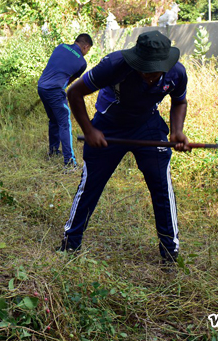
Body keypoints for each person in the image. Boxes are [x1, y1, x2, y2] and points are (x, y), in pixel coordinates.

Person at [59, 31, 190, 264]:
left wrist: (177, 131)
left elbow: (179, 101)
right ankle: (70, 244)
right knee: (91, 184)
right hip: (110, 126)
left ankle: (170, 253)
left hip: (148, 125)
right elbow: (74, 92)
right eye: (144, 69)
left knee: (161, 185)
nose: (149, 76)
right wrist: (89, 130)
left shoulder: (176, 72)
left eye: (154, 71)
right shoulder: (115, 64)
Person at [37, 34, 93, 168]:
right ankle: (69, 162)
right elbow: (70, 81)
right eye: (88, 50)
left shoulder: (61, 47)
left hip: (42, 87)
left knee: (54, 120)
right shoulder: (82, 62)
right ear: (85, 46)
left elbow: (54, 66)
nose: (86, 53)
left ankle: (54, 152)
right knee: (64, 123)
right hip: (55, 91)